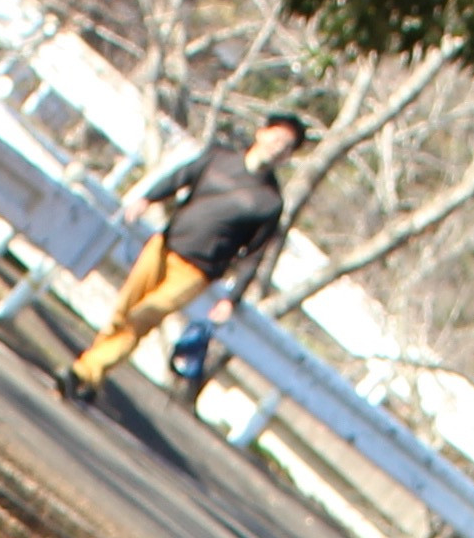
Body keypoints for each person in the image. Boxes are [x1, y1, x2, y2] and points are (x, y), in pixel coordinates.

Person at [66, 115, 306, 404]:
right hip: (165, 245)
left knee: (144, 315)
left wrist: (232, 299)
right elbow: (181, 177)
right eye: (277, 138)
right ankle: (92, 376)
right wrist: (148, 199)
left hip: (196, 271)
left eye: (287, 147)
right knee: (124, 310)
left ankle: (82, 371)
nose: (278, 148)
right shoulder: (219, 158)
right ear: (261, 133)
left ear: (288, 158)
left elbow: (254, 255)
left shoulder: (269, 202)